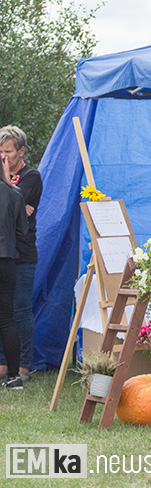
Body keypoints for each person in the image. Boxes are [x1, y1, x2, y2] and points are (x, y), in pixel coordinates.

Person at [0, 126, 41, 385]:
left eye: (8, 152)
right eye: (0, 152)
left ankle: (24, 366)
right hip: (5, 253)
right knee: (3, 313)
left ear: (21, 151)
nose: (4, 157)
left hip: (22, 254)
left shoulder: (31, 177)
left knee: (20, 310)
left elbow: (19, 211)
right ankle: (4, 365)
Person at [0, 149, 28, 389]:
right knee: (7, 320)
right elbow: (23, 232)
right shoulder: (15, 194)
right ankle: (14, 377)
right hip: (7, 259)